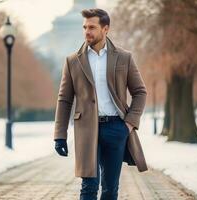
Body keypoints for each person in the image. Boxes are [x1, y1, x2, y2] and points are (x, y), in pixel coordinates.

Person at [54, 8, 147, 200]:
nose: (87, 31)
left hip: (116, 128)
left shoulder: (124, 57)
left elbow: (140, 92)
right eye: (84, 27)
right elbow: (64, 100)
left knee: (110, 188)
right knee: (89, 186)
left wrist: (128, 124)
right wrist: (59, 135)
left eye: (92, 27)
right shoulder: (72, 61)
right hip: (86, 129)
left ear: (105, 29)